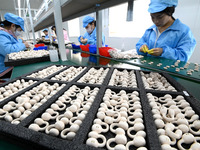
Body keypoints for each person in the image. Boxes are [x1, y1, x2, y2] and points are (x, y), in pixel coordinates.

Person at [0, 13, 29, 78]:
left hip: (9, 65)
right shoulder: (1, 34)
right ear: (13, 26)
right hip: (4, 70)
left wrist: (21, 41)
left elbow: (13, 43)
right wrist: (23, 45)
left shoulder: (6, 33)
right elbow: (8, 50)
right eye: (19, 30)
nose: (19, 32)